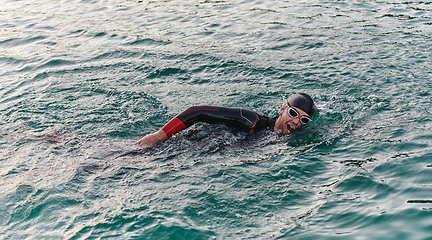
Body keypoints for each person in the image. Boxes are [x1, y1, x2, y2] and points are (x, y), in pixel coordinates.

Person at [135, 93, 315, 147]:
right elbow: (199, 111)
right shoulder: (251, 120)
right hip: (188, 144)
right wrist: (160, 136)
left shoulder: (294, 140)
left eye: (304, 120)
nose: (297, 122)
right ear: (283, 110)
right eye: (293, 113)